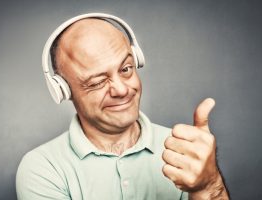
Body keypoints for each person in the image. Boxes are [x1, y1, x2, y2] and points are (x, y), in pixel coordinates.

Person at [16, 13, 229, 200]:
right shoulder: (42, 168)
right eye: (98, 82)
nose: (121, 89)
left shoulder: (184, 151)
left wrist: (209, 186)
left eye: (126, 68)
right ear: (63, 91)